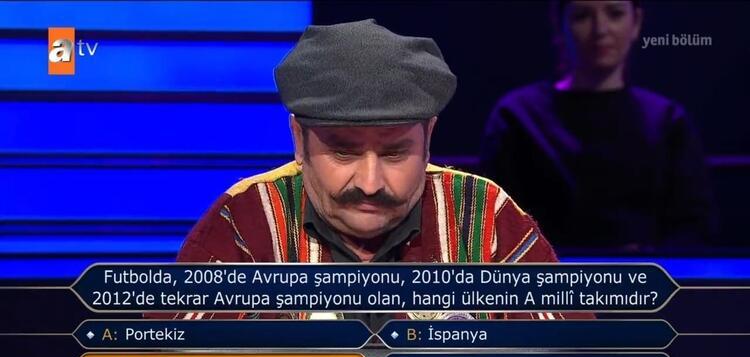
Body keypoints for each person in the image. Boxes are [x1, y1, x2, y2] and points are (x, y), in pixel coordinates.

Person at [148, 19, 592, 323]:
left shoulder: (484, 216)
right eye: (343, 153)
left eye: (395, 153)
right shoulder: (246, 220)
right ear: (299, 140)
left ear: (429, 138)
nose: (370, 183)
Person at [481, 0, 714, 251]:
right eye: (582, 16)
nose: (600, 29)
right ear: (559, 25)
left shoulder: (666, 120)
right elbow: (494, 223)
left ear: (636, 22)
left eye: (615, 14)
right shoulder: (518, 116)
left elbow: (695, 227)